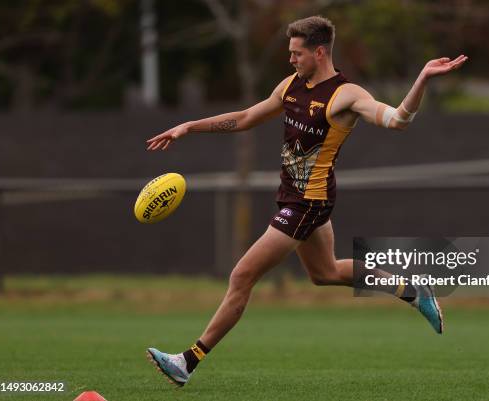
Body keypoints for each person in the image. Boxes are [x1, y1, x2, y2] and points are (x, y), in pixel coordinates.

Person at [145, 15, 468, 387]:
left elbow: (398, 120)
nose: (291, 59)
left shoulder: (347, 95)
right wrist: (189, 126)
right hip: (293, 197)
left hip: (306, 204)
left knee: (242, 275)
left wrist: (422, 79)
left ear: (319, 51)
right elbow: (248, 116)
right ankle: (412, 291)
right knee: (325, 273)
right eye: (290, 53)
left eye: (297, 53)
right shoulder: (292, 85)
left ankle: (188, 361)